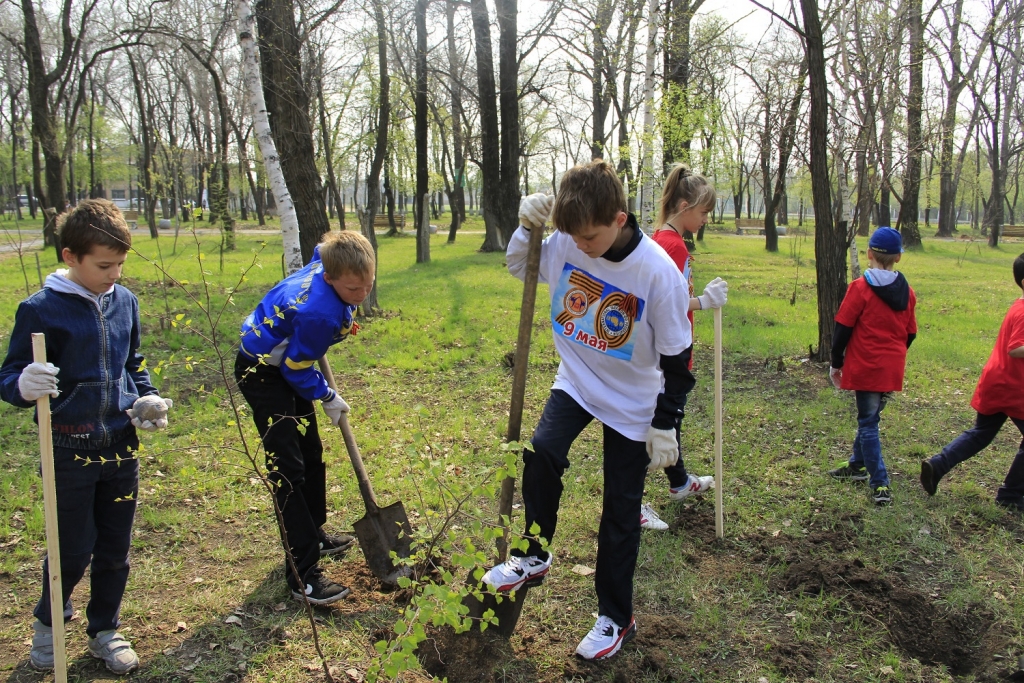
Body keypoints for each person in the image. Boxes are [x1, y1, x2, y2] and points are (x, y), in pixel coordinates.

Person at [482, 160, 694, 661]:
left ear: (620, 219)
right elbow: (524, 266)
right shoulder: (568, 239)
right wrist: (527, 227)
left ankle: (615, 618)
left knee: (620, 511)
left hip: (635, 402)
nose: (580, 246)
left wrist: (665, 425)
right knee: (542, 451)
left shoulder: (657, 274)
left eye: (591, 237)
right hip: (577, 381)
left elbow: (679, 362)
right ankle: (533, 554)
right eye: (571, 236)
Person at [0, 199, 172, 674]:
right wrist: (22, 384)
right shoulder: (40, 310)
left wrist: (146, 399)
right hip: (67, 450)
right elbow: (10, 374)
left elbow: (132, 364)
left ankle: (104, 630)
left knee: (115, 549)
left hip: (120, 446)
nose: (114, 274)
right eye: (103, 265)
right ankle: (50, 624)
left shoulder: (126, 303)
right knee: (71, 550)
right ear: (71, 256)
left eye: (119, 264)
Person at [234, 230, 375, 605]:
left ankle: (314, 533)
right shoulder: (318, 314)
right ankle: (303, 576)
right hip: (263, 372)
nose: (361, 296)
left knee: (311, 453)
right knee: (289, 470)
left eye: (367, 286)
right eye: (352, 289)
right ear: (328, 278)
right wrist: (326, 395)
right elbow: (296, 369)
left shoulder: (324, 261)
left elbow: (320, 248)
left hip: (285, 366)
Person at [640, 165, 728, 531]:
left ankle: (679, 482)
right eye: (703, 212)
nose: (706, 219)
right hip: (667, 353)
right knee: (658, 424)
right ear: (683, 205)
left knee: (669, 422)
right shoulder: (671, 245)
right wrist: (703, 303)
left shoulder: (667, 239)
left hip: (671, 349)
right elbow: (665, 303)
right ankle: (632, 502)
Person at [920, 254, 1024, 510]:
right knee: (981, 433)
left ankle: (938, 464)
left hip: (998, 382)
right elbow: (1016, 348)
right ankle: (1010, 496)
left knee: (981, 433)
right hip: (1013, 387)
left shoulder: (1018, 306)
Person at [827, 227, 917, 505]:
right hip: (891, 368)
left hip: (866, 367)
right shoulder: (908, 293)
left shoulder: (860, 288)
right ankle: (857, 465)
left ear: (869, 254)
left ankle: (880, 483)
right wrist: (893, 357)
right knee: (871, 419)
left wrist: (836, 363)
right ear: (898, 258)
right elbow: (911, 333)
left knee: (868, 424)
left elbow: (842, 327)